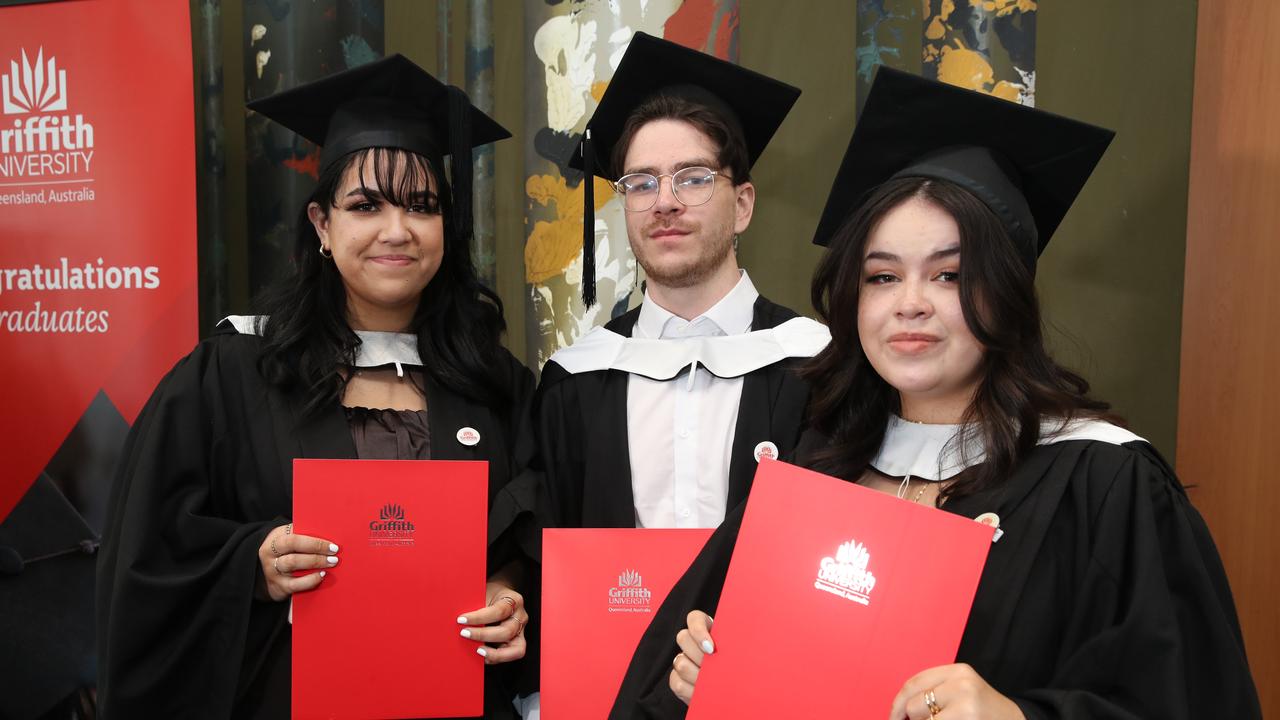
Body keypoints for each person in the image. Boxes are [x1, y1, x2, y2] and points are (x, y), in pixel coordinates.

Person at [610, 67, 1261, 719]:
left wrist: (1017, 716)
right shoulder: (815, 468)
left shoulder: (1103, 486)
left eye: (949, 275)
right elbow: (676, 675)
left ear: (1005, 294)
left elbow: (1191, 699)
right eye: (883, 276)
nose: (910, 304)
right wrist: (704, 678)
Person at [96, 55, 537, 719]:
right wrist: (253, 564)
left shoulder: (496, 384)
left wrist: (508, 589)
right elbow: (146, 555)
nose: (397, 229)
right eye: (366, 205)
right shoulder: (230, 375)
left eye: (422, 205)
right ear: (322, 226)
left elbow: (538, 531)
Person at [534, 31, 829, 533]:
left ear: (742, 206)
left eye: (693, 177)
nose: (664, 202)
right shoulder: (576, 380)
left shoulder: (819, 368)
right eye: (641, 183)